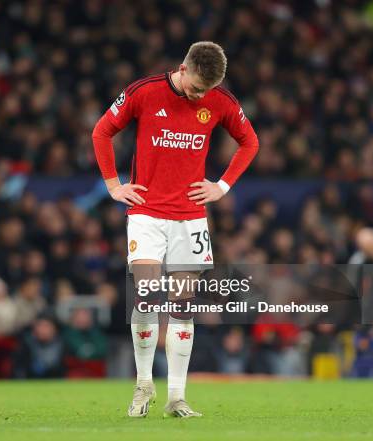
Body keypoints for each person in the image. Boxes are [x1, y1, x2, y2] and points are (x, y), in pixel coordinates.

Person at [92, 42, 259, 417]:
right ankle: (143, 386)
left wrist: (222, 186)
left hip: (191, 218)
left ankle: (177, 398)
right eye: (197, 87)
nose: (201, 96)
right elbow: (101, 132)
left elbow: (250, 141)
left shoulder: (220, 101)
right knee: (147, 299)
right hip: (147, 213)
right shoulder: (144, 92)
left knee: (183, 307)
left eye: (207, 91)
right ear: (183, 68)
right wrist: (113, 185)